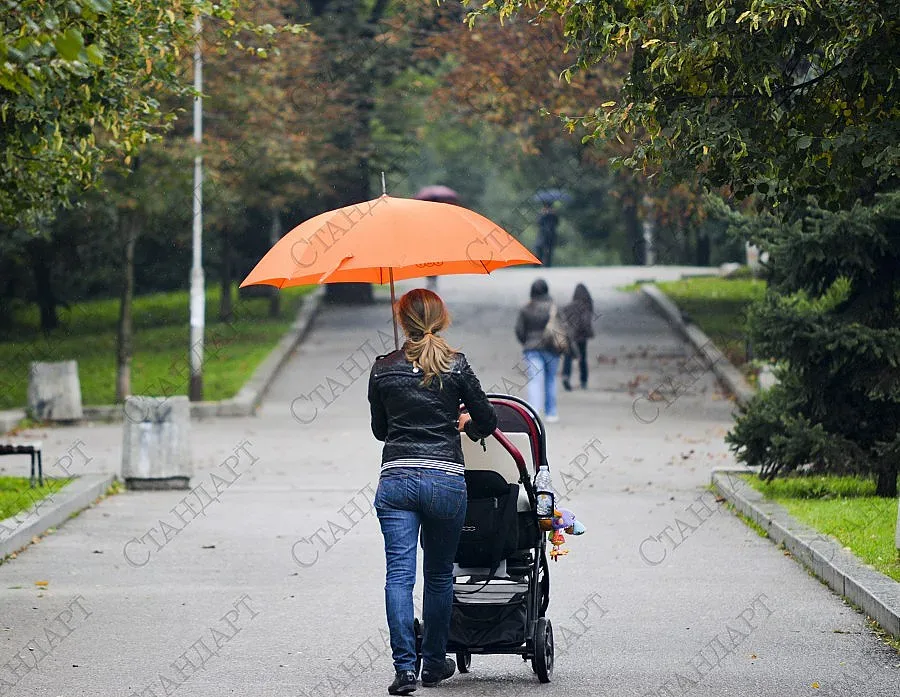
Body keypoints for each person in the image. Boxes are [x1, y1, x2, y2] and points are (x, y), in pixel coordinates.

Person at [368, 288, 498, 695]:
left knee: (399, 576)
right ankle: (434, 662)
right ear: (441, 319)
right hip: (445, 480)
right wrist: (465, 426)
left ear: (402, 321)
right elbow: (488, 420)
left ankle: (405, 669)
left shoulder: (382, 368)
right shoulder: (456, 365)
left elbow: (380, 431)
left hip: (397, 480)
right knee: (439, 575)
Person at [514, 278, 563, 422]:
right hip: (552, 348)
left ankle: (533, 412)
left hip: (532, 349)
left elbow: (519, 330)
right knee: (551, 379)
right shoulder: (553, 308)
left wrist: (527, 342)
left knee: (535, 380)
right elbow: (563, 328)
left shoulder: (526, 308)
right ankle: (551, 412)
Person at [561, 283, 595, 391]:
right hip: (581, 336)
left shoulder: (568, 307)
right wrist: (589, 332)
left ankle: (566, 376)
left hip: (569, 336)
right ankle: (583, 381)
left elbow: (563, 320)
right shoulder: (586, 306)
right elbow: (586, 322)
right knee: (583, 358)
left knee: (568, 356)